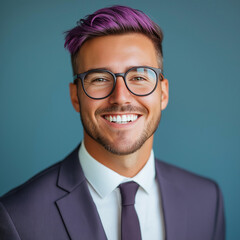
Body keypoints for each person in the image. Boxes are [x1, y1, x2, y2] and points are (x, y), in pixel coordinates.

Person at [0, 5, 225, 240]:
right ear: (76, 97)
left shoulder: (208, 201)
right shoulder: (16, 218)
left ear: (163, 93)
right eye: (99, 79)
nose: (120, 97)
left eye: (138, 76)